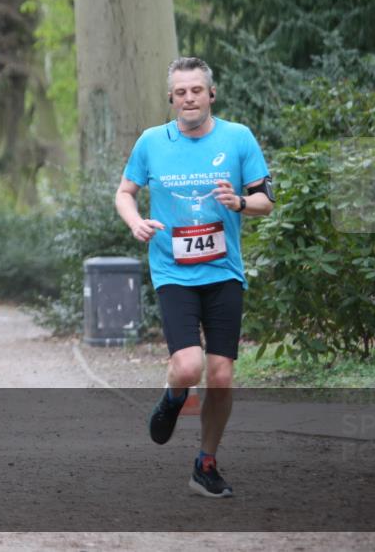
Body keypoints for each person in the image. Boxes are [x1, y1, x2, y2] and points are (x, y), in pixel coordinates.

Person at [115, 56, 274, 498]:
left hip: (224, 270)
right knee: (188, 365)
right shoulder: (151, 142)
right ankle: (172, 397)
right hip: (173, 271)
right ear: (171, 98)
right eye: (181, 92)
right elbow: (125, 192)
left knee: (221, 375)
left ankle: (206, 462)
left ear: (211, 94)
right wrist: (135, 223)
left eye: (196, 91)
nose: (189, 98)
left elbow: (265, 200)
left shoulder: (238, 138)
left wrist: (240, 203)